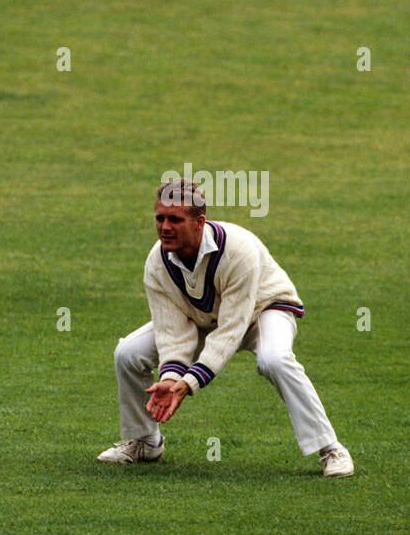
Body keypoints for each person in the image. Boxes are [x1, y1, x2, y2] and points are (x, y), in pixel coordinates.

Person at [98, 179, 353, 477]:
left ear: (199, 222)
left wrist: (189, 383)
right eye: (160, 218)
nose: (165, 227)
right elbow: (172, 330)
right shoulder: (157, 261)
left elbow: (232, 329)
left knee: (274, 359)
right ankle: (145, 441)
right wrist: (170, 378)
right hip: (205, 316)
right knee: (128, 352)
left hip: (264, 309)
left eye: (175, 219)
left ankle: (331, 448)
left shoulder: (237, 250)